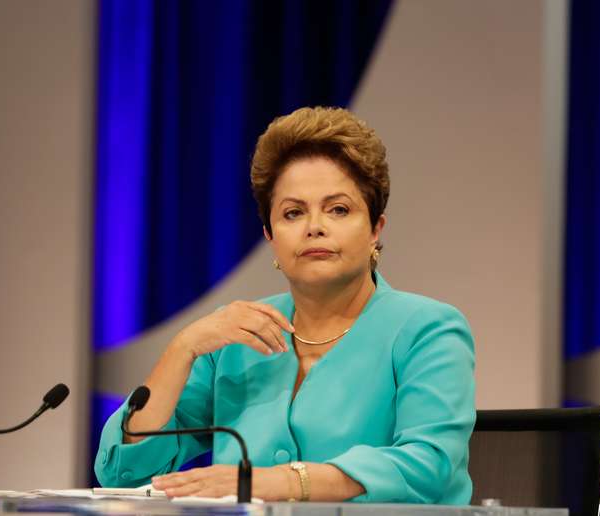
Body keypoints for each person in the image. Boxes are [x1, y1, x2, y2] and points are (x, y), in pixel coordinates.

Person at [94, 106, 475, 504]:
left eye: (339, 209)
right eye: (293, 213)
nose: (315, 226)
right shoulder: (236, 338)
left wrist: (280, 482)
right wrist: (183, 348)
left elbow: (426, 465)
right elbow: (125, 470)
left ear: (376, 229)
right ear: (270, 237)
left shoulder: (428, 329)